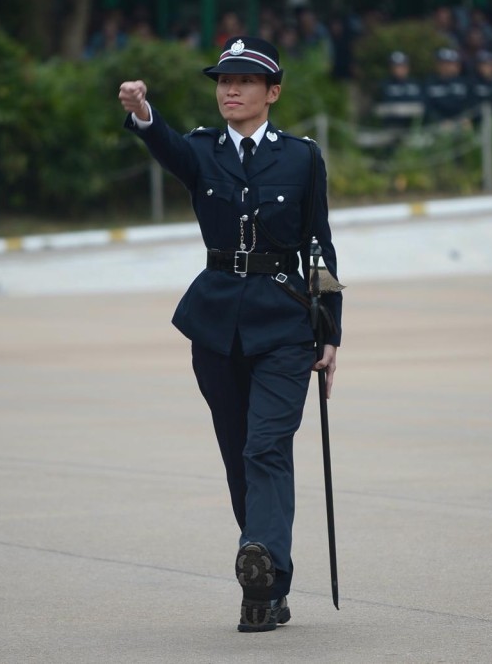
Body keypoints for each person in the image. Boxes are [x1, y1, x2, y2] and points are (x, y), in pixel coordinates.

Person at [118, 36, 342, 633]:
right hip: (216, 324)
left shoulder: (302, 158)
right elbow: (163, 145)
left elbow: (318, 243)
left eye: (243, 81)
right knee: (238, 456)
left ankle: (261, 560)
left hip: (285, 323)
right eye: (222, 81)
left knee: (266, 447)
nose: (230, 90)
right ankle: (264, 576)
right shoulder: (201, 151)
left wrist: (331, 331)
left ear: (272, 92)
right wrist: (143, 113)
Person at [424, 47, 472, 125]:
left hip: (460, 122)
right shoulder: (430, 83)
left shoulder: (463, 83)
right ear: (438, 65)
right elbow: (428, 107)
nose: (447, 67)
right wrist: (440, 120)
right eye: (444, 63)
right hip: (437, 125)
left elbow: (469, 103)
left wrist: (466, 117)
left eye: (451, 64)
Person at [376, 51, 423, 128]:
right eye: (395, 66)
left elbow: (422, 103)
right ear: (390, 68)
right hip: (392, 125)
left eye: (402, 66)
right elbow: (382, 105)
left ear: (407, 68)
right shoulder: (384, 85)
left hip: (413, 125)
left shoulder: (416, 84)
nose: (398, 69)